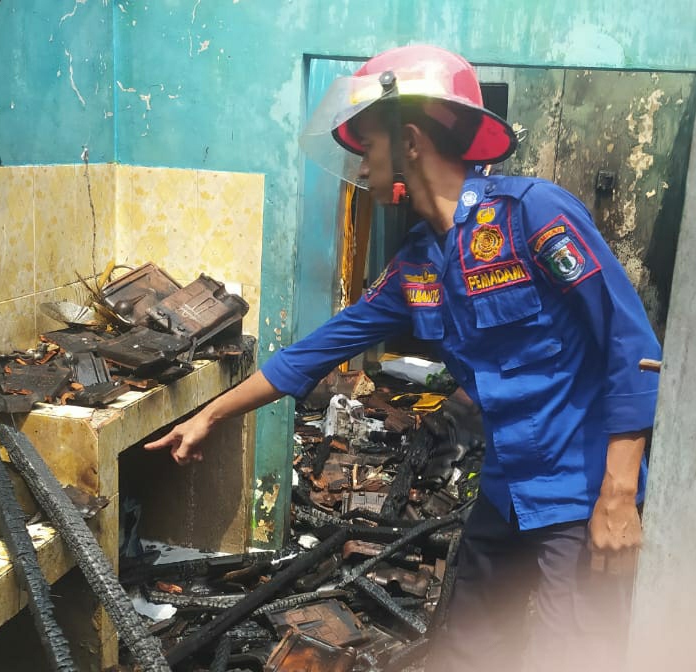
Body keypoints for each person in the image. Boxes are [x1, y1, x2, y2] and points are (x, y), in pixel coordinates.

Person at [145, 44, 661, 672]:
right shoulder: (418, 265)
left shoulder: (535, 217)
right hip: (505, 493)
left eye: (366, 144)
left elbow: (631, 345)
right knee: (468, 650)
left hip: (579, 499)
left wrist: (618, 493)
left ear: (410, 140)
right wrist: (212, 415)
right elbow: (313, 352)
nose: (358, 161)